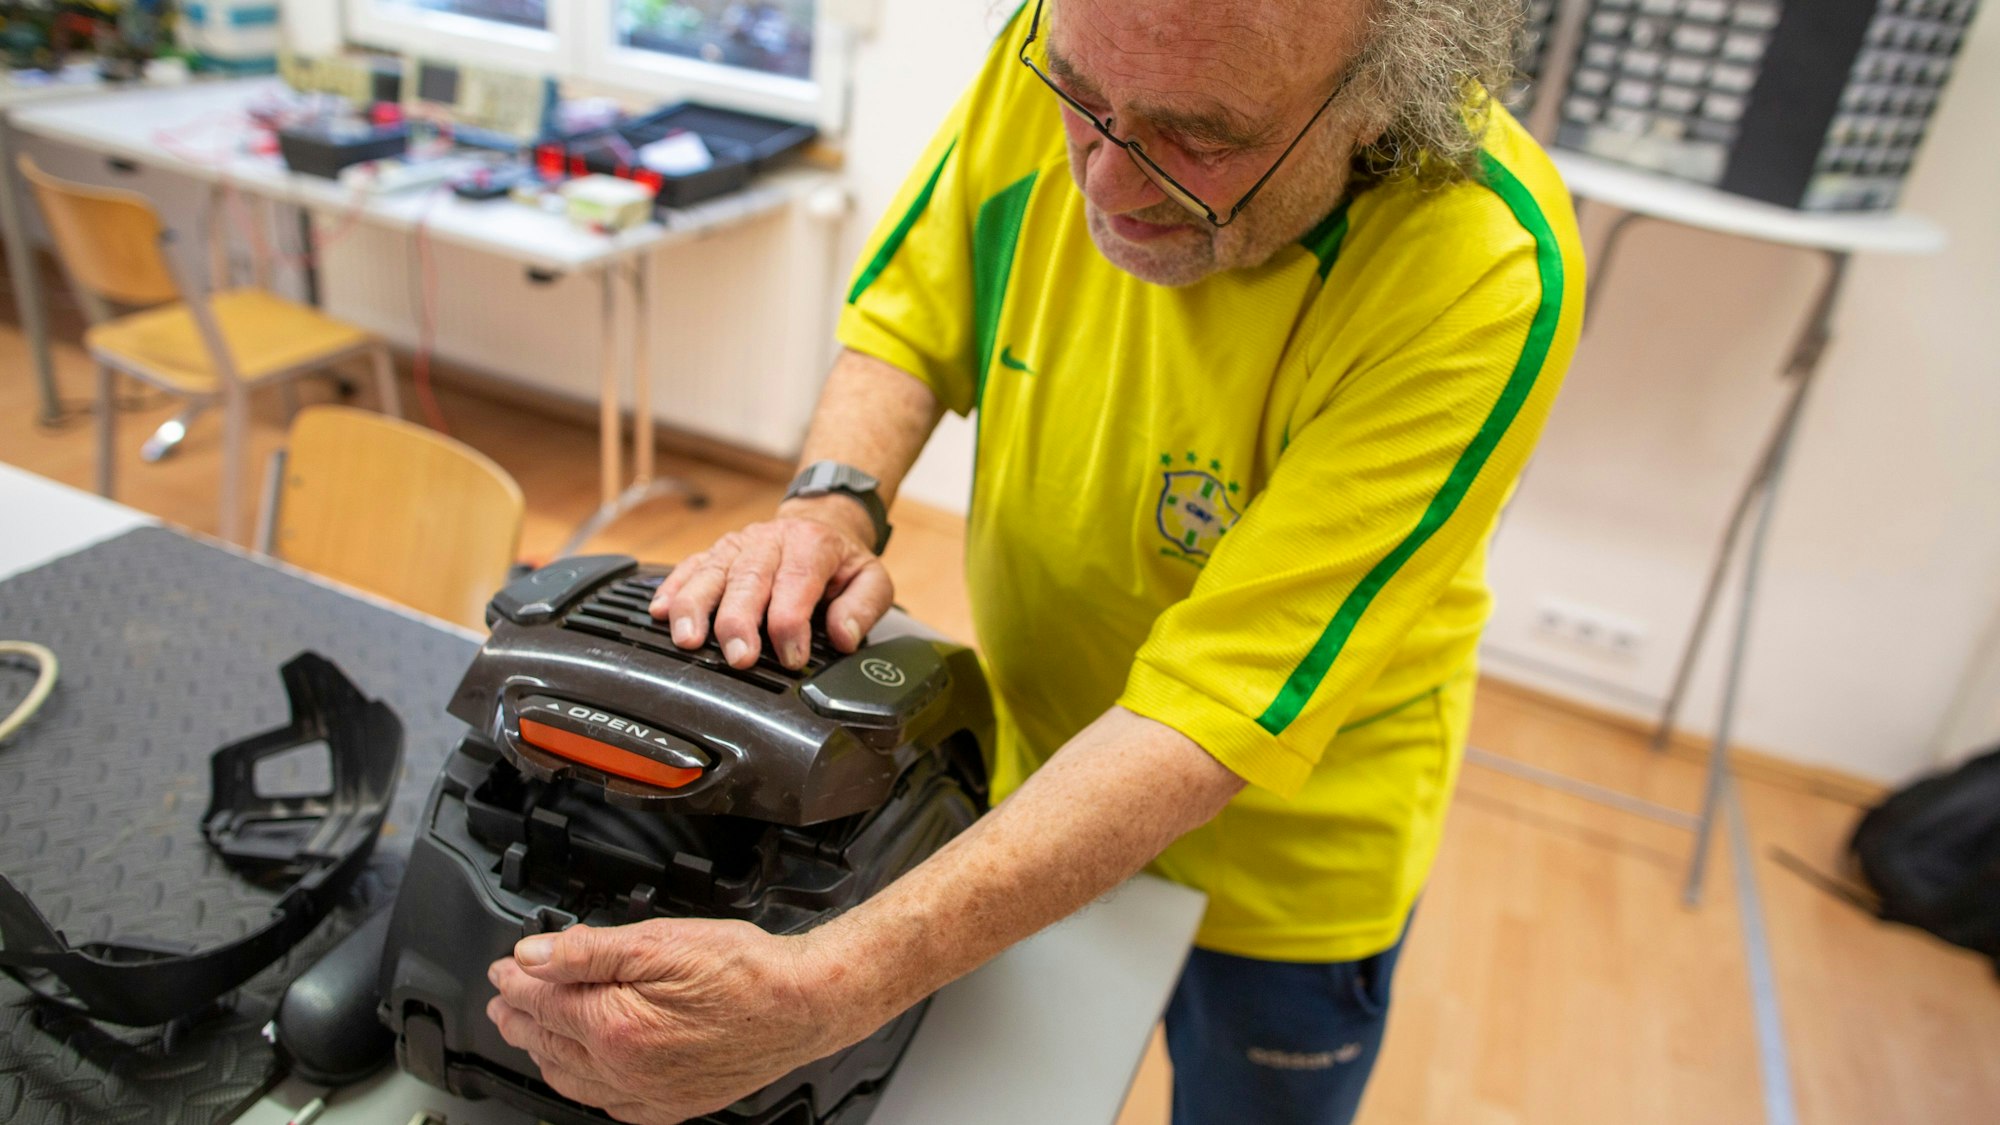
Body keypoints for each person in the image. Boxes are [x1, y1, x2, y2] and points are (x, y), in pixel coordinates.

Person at [485, 0, 1584, 1121]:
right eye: (1084, 105)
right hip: (1023, 782)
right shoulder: (1087, 41)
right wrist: (828, 513)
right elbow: (911, 319)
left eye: (1196, 138)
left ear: (1378, 104)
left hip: (1284, 869)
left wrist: (822, 992)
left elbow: (1207, 714)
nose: (1103, 182)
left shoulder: (1481, 267)